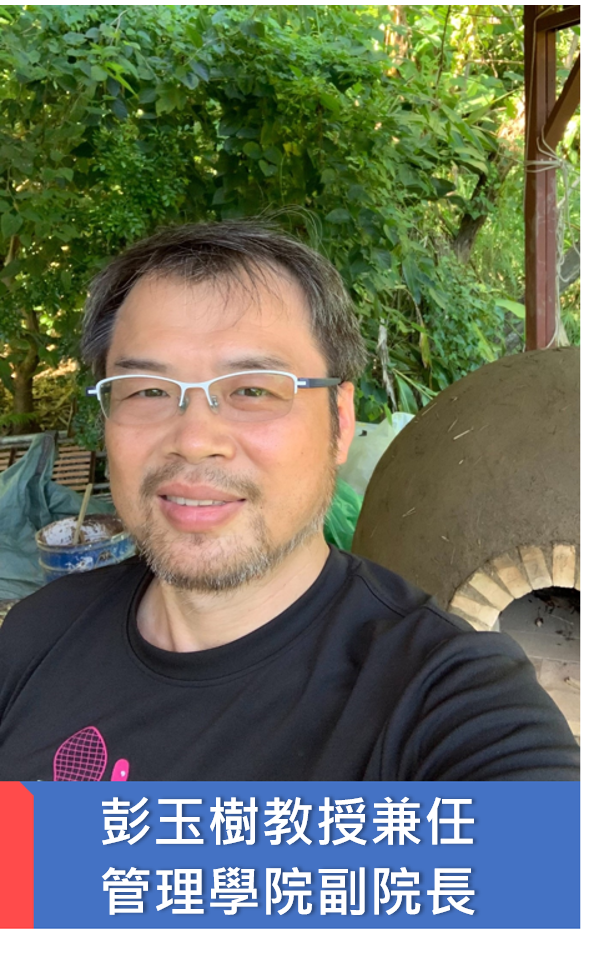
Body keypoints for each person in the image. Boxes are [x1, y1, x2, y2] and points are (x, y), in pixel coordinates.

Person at [0, 222, 579, 781]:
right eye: (149, 390)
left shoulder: (446, 695)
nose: (194, 439)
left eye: (253, 389)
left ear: (340, 422)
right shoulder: (35, 636)